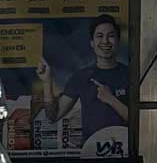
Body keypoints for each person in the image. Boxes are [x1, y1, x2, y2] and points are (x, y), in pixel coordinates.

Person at [34, 14, 128, 143]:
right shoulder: (81, 77)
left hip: (124, 153)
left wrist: (110, 99)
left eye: (111, 36)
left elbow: (138, 120)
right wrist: (47, 81)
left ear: (117, 41)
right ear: (92, 43)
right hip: (91, 154)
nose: (105, 41)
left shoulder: (129, 75)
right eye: (99, 36)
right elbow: (52, 117)